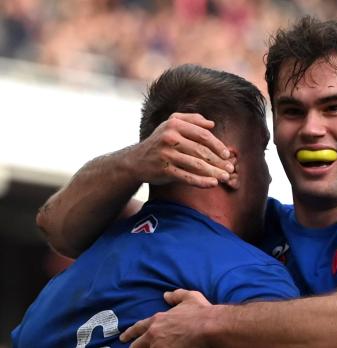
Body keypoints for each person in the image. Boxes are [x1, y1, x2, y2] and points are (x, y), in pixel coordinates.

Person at [36, 17, 337, 347]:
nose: (312, 129)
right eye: (293, 111)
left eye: (334, 107)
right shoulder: (255, 229)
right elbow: (60, 232)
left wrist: (209, 324)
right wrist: (133, 162)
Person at [12, 64, 299, 347]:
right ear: (231, 166)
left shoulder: (56, 294)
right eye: (262, 152)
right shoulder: (249, 275)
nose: (269, 174)